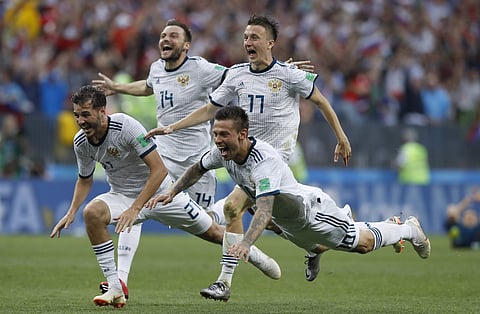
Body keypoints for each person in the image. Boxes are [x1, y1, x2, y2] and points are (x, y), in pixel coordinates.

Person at [92, 19, 315, 294]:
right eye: (163, 35)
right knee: (138, 206)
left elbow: (242, 75)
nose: (165, 39)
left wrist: (280, 70)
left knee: (210, 225)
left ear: (186, 45)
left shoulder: (201, 68)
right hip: (163, 156)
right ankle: (120, 281)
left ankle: (254, 242)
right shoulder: (156, 68)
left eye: (173, 35)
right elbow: (149, 86)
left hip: (195, 162)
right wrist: (119, 87)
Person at [146, 15, 351, 287]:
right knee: (268, 217)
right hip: (243, 154)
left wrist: (341, 136)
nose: (247, 42)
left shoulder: (289, 75)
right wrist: (173, 127)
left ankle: (224, 282)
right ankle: (314, 247)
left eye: (254, 37)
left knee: (232, 207)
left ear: (270, 43)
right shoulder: (237, 73)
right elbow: (210, 109)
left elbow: (321, 101)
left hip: (273, 157)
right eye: (245, 37)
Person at [147, 105, 431, 301]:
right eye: (215, 134)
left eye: (224, 135)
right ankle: (315, 250)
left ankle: (407, 228)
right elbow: (198, 167)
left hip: (312, 211)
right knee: (292, 232)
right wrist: (172, 191)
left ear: (242, 135)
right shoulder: (223, 152)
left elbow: (265, 209)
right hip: (288, 220)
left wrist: (246, 243)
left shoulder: (264, 162)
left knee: (363, 245)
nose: (218, 140)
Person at [49, 85, 281, 308]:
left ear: (102, 111)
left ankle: (254, 253)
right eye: (76, 115)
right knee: (92, 213)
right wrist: (71, 212)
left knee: (213, 232)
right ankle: (115, 287)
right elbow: (85, 179)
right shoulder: (81, 142)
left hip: (161, 194)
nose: (80, 121)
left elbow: (159, 170)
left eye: (85, 115)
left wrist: (136, 208)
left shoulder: (126, 126)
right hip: (122, 196)